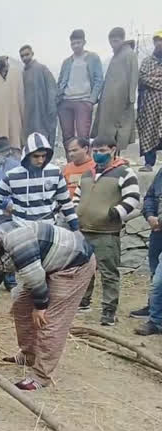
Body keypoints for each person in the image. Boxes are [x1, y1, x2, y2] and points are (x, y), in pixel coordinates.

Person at [0, 225, 96, 390]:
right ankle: (29, 355)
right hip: (45, 267)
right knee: (21, 305)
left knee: (49, 320)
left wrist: (40, 306)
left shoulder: (14, 242)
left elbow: (35, 277)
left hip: (74, 264)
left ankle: (42, 376)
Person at [73, 136, 140, 325]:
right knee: (82, 270)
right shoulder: (87, 174)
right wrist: (76, 210)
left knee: (109, 273)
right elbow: (78, 195)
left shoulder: (125, 172)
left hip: (106, 233)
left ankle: (109, 312)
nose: (98, 154)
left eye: (102, 150)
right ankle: (83, 302)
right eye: (95, 150)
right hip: (84, 229)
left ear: (112, 150)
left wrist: (114, 213)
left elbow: (134, 198)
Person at [0, 132, 78, 231]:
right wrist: (4, 220)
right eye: (36, 156)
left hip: (50, 229)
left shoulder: (55, 172)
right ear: (27, 156)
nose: (40, 160)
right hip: (21, 229)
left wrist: (75, 228)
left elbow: (66, 203)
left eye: (43, 156)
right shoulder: (12, 176)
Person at [91, 27, 139, 153]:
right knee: (106, 131)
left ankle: (115, 156)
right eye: (111, 42)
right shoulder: (116, 56)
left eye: (116, 41)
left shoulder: (129, 54)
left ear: (123, 40)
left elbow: (134, 76)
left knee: (119, 130)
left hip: (122, 100)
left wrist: (131, 98)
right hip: (108, 100)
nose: (113, 44)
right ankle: (107, 156)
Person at [56, 30, 104, 144]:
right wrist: (59, 98)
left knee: (83, 137)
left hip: (83, 101)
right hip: (66, 101)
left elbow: (99, 80)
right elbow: (60, 81)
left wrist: (91, 100)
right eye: (73, 43)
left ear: (84, 42)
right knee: (67, 137)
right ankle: (70, 161)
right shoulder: (67, 61)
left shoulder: (93, 58)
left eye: (78, 42)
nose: (75, 46)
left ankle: (84, 162)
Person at [133, 163, 162, 331]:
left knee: (159, 280)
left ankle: (156, 321)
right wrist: (150, 216)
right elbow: (150, 196)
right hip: (157, 232)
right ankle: (154, 307)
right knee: (154, 272)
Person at [20, 45, 57, 145]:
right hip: (28, 115)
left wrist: (50, 110)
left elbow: (52, 89)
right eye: (22, 56)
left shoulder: (42, 69)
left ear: (32, 54)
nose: (25, 58)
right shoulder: (22, 74)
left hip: (42, 113)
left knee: (42, 141)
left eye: (27, 54)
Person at [137, 31, 162, 173]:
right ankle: (149, 163)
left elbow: (151, 80)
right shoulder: (147, 62)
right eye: (157, 40)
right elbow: (144, 78)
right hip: (150, 106)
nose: (159, 43)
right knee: (149, 133)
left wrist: (154, 80)